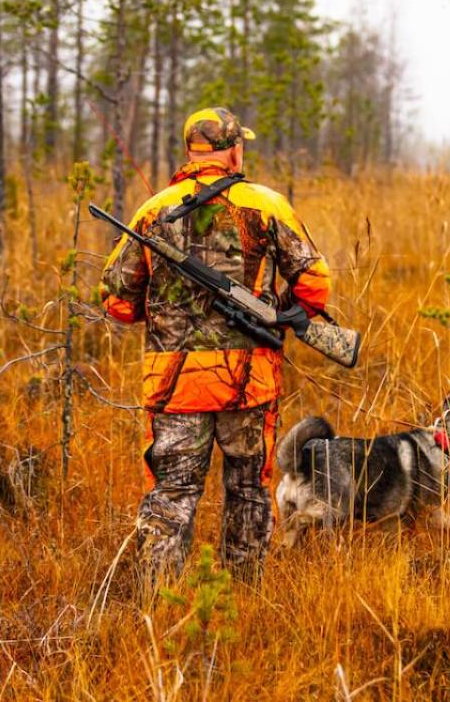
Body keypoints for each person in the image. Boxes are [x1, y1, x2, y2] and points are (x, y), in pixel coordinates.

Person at [99, 106, 331, 583]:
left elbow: (117, 303)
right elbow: (315, 282)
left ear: (191, 152)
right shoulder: (267, 205)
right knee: (247, 489)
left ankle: (156, 602)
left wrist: (165, 310)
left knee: (172, 494)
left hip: (174, 385)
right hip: (247, 381)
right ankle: (244, 596)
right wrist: (280, 312)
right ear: (233, 150)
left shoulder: (151, 210)